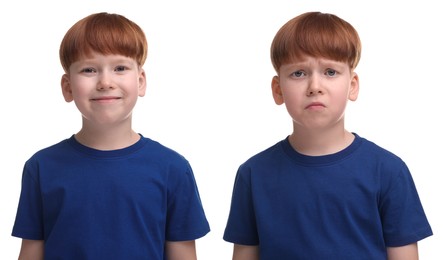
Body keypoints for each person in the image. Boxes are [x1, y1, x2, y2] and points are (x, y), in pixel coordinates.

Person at [223, 11, 432, 259]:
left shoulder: (388, 171)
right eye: (298, 73)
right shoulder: (253, 174)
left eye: (330, 72)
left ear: (352, 85)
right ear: (278, 90)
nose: (315, 86)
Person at [12, 12, 210, 259]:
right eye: (88, 69)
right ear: (67, 87)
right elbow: (31, 253)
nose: (105, 82)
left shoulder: (173, 168)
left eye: (119, 68)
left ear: (140, 81)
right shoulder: (41, 167)